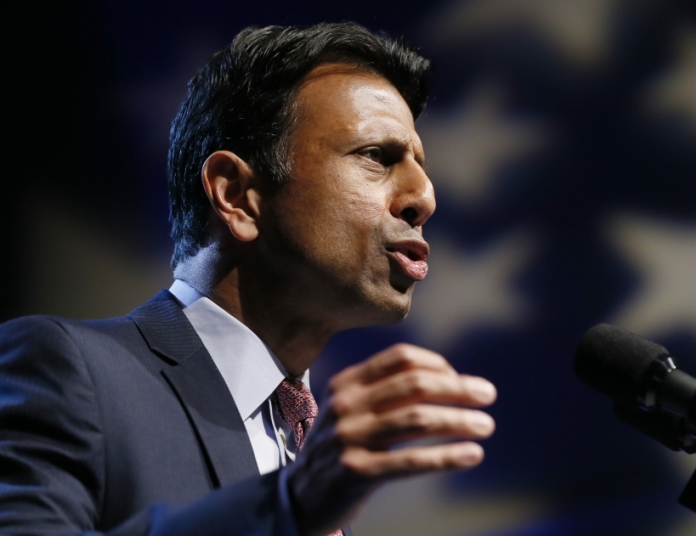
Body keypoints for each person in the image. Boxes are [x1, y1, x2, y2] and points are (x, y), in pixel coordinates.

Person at [0, 22, 497, 536]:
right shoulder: (68, 370)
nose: (425, 197)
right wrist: (286, 504)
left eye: (420, 163)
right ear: (235, 194)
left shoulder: (309, 445)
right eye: (377, 156)